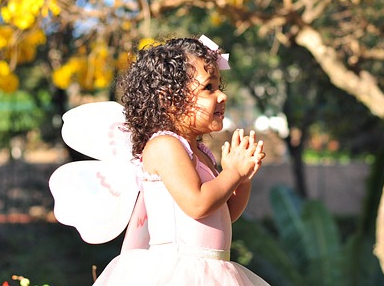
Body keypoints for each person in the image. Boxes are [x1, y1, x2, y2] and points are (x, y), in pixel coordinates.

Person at [92, 36, 269, 285]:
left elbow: (225, 213)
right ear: (169, 98)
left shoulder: (200, 152)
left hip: (213, 269)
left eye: (220, 87)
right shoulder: (165, 146)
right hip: (179, 269)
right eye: (208, 88)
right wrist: (232, 173)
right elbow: (197, 204)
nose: (221, 96)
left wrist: (242, 179)